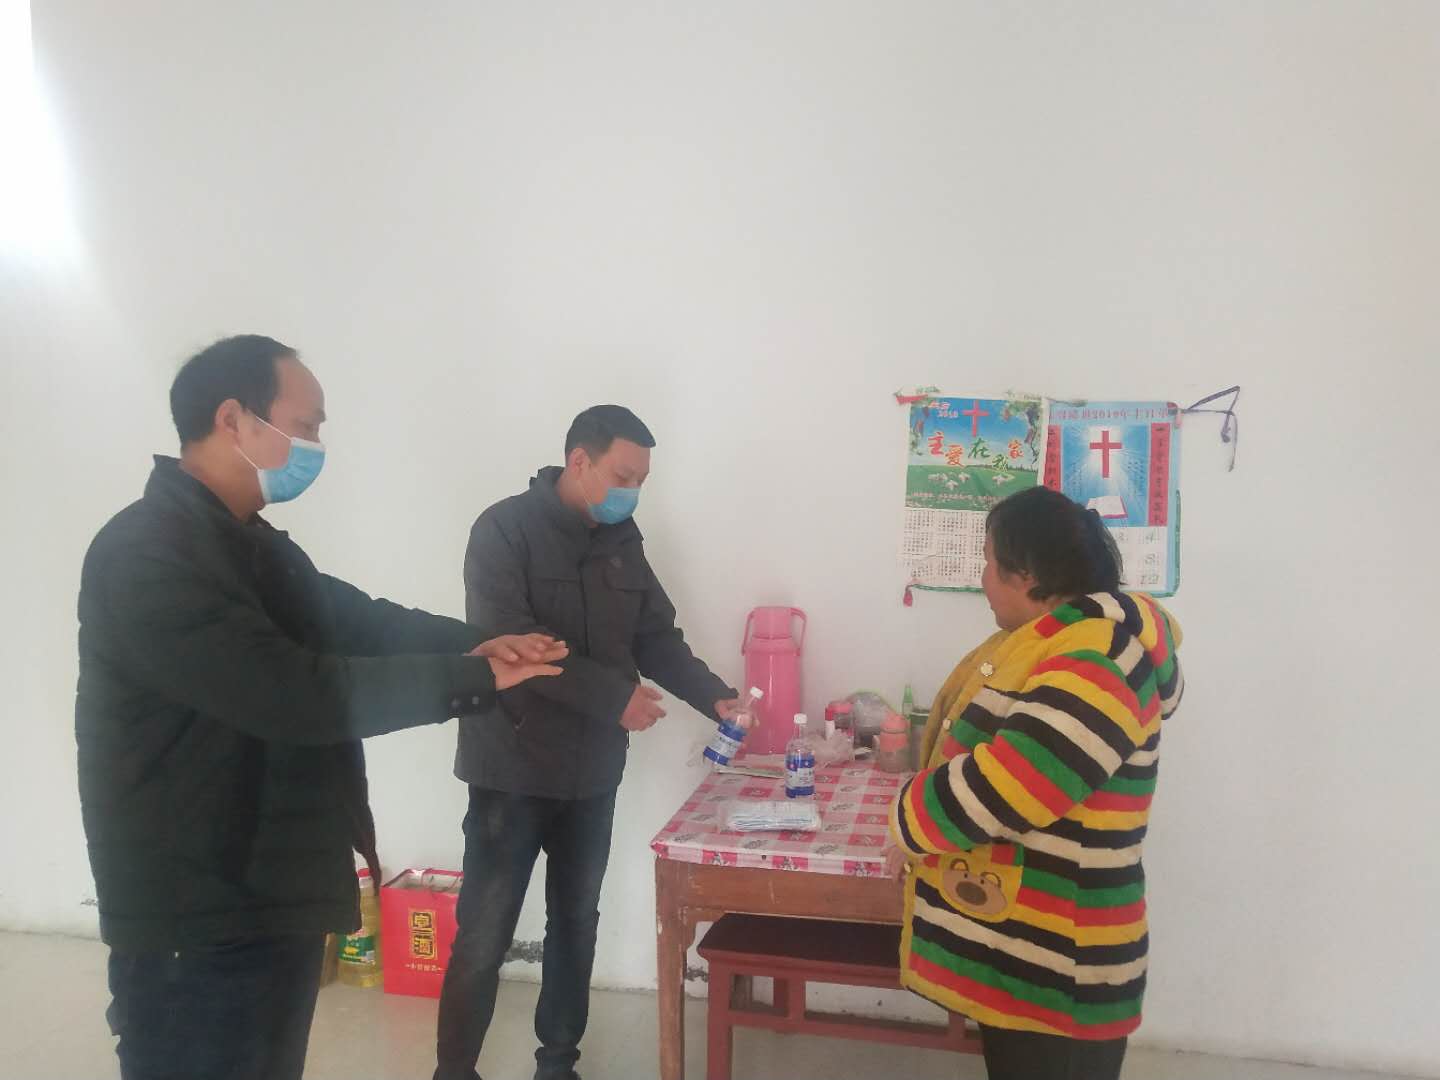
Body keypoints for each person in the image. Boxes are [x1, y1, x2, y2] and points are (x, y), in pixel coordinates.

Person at [76, 335, 567, 1080]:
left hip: (268, 889)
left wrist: (477, 644)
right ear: (233, 419)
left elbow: (354, 619)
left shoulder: (251, 546)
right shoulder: (147, 554)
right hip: (194, 911)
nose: (314, 446)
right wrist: (471, 679)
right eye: (304, 426)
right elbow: (294, 694)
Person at [436, 405, 740, 1080]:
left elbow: (655, 635)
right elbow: (512, 645)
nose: (633, 492)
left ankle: (558, 1063)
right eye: (623, 476)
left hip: (592, 772)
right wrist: (614, 698)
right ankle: (453, 1071)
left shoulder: (622, 540)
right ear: (580, 461)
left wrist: (714, 696)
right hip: (510, 768)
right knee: (484, 932)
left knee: (575, 921)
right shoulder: (503, 530)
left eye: (642, 480)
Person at [888, 487, 1184, 1080]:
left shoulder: (1098, 655)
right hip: (1031, 950)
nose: (982, 579)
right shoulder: (1052, 640)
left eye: (988, 562)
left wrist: (909, 819)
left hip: (1063, 966)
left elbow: (1016, 784)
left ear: (1026, 575)